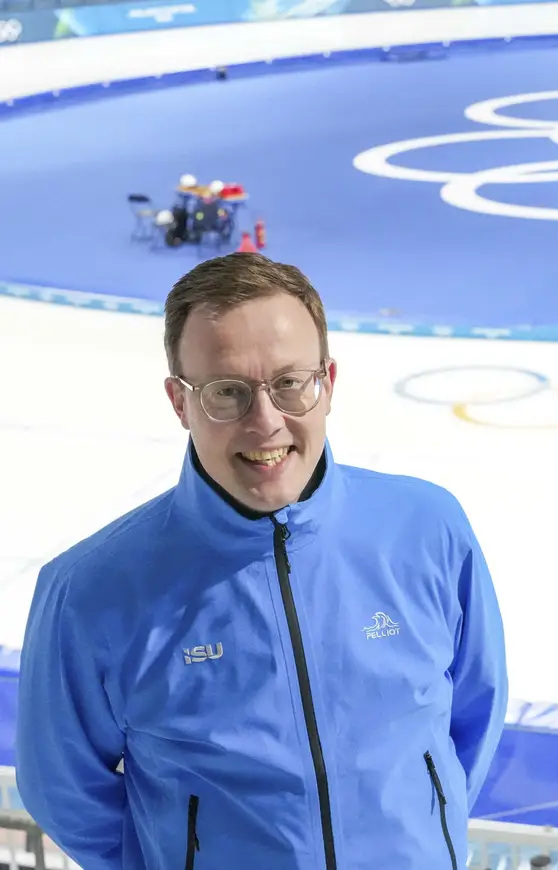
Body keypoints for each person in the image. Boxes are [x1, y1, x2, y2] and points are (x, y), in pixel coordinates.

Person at [15, 252, 508, 870]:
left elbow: (475, 714)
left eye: (290, 383)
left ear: (328, 382)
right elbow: (63, 792)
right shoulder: (90, 590)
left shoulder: (428, 528)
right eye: (228, 392)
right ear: (179, 402)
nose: (266, 422)